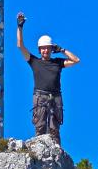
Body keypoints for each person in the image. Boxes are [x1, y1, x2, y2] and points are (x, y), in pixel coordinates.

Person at [16, 12, 80, 146]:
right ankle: (39, 152)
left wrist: (61, 49)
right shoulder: (34, 61)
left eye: (48, 48)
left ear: (51, 49)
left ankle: (56, 153)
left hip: (55, 98)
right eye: (43, 49)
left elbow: (76, 60)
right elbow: (20, 45)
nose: (45, 51)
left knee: (54, 130)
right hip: (40, 97)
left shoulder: (58, 62)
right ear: (39, 50)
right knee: (40, 127)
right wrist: (20, 27)